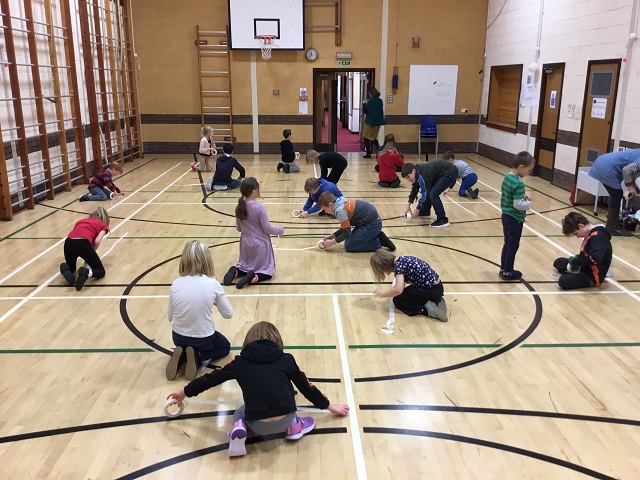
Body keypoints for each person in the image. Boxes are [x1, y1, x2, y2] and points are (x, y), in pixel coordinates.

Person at [167, 321, 350, 457]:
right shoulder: (286, 359)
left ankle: (240, 427)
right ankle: (294, 427)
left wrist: (184, 392)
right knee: (290, 396)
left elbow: (210, 379)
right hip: (285, 417)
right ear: (278, 341)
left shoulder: (239, 363)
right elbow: (307, 388)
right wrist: (329, 406)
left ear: (248, 342)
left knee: (240, 411)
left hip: (256, 424)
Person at [166, 240, 232, 381]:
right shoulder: (212, 284)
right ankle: (197, 356)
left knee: (185, 340)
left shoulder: (176, 283)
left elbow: (170, 317)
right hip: (203, 338)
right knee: (225, 347)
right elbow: (228, 314)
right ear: (207, 260)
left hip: (177, 336)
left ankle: (182, 354)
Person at [223, 178, 284, 288]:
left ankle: (236, 271)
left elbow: (239, 228)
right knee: (267, 272)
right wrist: (280, 230)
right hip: (260, 243)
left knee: (245, 267)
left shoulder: (239, 207)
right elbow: (267, 228)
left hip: (245, 243)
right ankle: (253, 277)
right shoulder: (260, 207)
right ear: (254, 192)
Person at [370, 247, 447, 321]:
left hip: (430, 291)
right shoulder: (403, 260)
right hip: (438, 288)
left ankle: (426, 310)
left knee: (398, 301)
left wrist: (384, 294)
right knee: (404, 294)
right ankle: (436, 301)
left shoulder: (399, 267)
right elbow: (402, 286)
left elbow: (399, 290)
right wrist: (394, 291)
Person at [317, 191, 396, 252]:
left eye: (325, 209)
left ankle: (379, 241)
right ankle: (373, 236)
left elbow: (347, 233)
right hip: (366, 222)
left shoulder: (339, 211)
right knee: (348, 241)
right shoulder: (340, 203)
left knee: (349, 246)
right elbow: (346, 228)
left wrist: (332, 242)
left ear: (330, 205)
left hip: (372, 225)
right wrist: (333, 236)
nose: (326, 212)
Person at [553, 212, 612, 290]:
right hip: (585, 266)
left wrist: (576, 261)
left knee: (563, 281)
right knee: (559, 262)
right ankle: (575, 272)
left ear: (581, 226)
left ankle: (579, 275)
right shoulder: (590, 233)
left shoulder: (598, 237)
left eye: (576, 233)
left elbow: (594, 259)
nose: (577, 236)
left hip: (592, 275)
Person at [499, 151, 535, 281]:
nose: (528, 173)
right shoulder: (519, 183)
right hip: (515, 218)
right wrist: (528, 202)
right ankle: (508, 271)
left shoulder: (507, 178)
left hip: (506, 215)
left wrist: (520, 198)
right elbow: (518, 204)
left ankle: (503, 268)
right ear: (521, 167)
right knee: (513, 245)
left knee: (507, 243)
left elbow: (510, 196)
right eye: (528, 170)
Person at [588, 149, 640, 236]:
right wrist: (630, 187)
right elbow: (627, 170)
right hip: (607, 167)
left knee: (616, 195)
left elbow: (633, 173)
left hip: (602, 162)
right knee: (616, 196)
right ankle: (612, 227)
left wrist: (634, 187)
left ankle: (613, 221)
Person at [59, 207, 110, 291]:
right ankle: (87, 273)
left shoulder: (80, 221)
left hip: (68, 243)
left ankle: (65, 268)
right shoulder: (103, 225)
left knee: (71, 268)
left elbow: (76, 233)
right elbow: (97, 241)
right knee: (100, 271)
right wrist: (91, 252)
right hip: (83, 243)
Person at [401, 160, 458, 228]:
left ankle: (442, 219)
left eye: (408, 176)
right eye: (406, 178)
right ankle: (425, 212)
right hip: (442, 173)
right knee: (430, 191)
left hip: (449, 172)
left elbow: (425, 194)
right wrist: (408, 204)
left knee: (433, 194)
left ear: (413, 171)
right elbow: (414, 189)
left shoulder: (423, 175)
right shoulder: (417, 173)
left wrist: (418, 209)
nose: (408, 179)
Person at [362, 86, 385, 158]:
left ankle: (368, 153)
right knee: (372, 137)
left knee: (366, 137)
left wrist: (364, 104)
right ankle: (379, 150)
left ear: (371, 94)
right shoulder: (380, 101)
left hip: (370, 122)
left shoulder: (371, 102)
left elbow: (365, 111)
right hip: (377, 122)